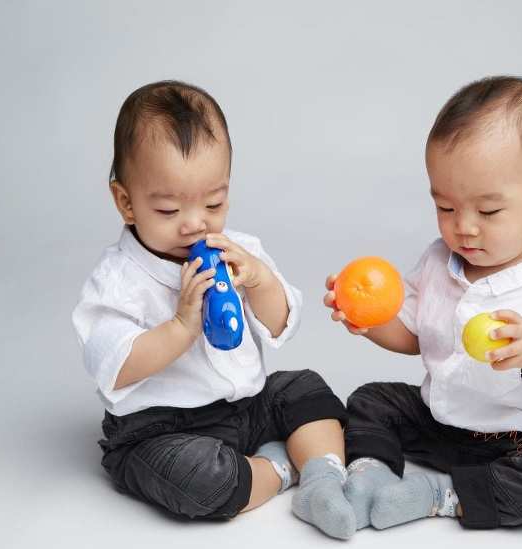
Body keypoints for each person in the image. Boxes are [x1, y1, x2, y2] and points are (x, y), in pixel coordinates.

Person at [324, 75, 522, 532]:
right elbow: (414, 336)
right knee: (372, 400)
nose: (464, 229)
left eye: (489, 211)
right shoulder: (441, 260)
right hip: (443, 421)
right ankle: (371, 475)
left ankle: (441, 495)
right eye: (446, 207)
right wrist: (369, 321)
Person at [72, 80, 354, 537]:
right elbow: (113, 365)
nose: (194, 223)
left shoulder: (238, 250)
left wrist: (260, 280)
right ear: (126, 202)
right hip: (162, 425)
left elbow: (282, 323)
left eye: (214, 202)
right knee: (201, 481)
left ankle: (324, 479)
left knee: (306, 389)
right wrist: (181, 326)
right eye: (167, 210)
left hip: (246, 403)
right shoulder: (119, 280)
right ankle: (282, 469)